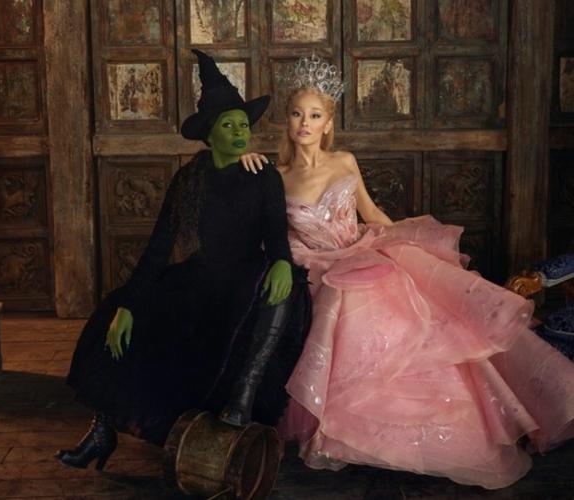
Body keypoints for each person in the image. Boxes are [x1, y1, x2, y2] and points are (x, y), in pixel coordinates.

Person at [240, 54, 574, 489]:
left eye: (315, 115)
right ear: (286, 120)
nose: (305, 123)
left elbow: (371, 213)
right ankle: (350, 431)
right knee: (342, 301)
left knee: (411, 307)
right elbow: (264, 227)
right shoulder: (274, 176)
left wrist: (408, 242)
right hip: (319, 267)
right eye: (297, 114)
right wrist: (244, 159)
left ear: (328, 123)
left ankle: (435, 430)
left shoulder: (344, 161)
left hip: (360, 252)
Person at [55, 49, 311, 471]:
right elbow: (158, 248)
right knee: (113, 315)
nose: (240, 132)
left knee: (284, 294)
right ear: (209, 134)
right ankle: (102, 429)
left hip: (246, 275)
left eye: (243, 124)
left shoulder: (261, 174)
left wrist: (282, 261)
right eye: (228, 125)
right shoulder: (190, 178)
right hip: (200, 276)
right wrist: (129, 305)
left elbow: (274, 234)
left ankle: (240, 400)